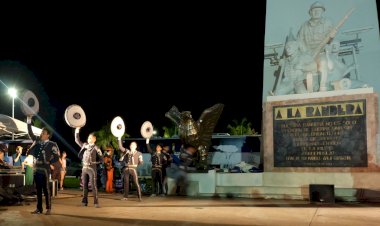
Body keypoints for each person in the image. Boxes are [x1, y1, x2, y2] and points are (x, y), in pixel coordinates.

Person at [297, 1, 334, 92]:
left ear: (322, 12)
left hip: (321, 52)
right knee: (298, 67)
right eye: (314, 10)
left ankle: (322, 86)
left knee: (323, 62)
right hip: (307, 53)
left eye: (319, 10)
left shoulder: (327, 23)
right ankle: (302, 88)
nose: (317, 12)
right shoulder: (304, 26)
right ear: (310, 12)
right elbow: (299, 40)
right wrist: (306, 52)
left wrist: (331, 37)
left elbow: (330, 41)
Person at [27, 116, 60, 215]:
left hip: (45, 169)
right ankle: (39, 208)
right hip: (36, 168)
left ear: (48, 135)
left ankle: (48, 208)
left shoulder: (52, 144)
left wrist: (50, 162)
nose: (42, 134)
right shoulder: (37, 140)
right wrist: (29, 120)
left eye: (44, 133)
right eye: (41, 132)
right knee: (38, 190)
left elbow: (57, 157)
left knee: (46, 189)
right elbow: (30, 132)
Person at [75, 127, 103, 208]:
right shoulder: (84, 145)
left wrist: (96, 163)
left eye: (90, 138)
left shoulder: (96, 148)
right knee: (85, 186)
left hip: (92, 169)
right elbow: (77, 140)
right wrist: (77, 130)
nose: (88, 139)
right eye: (88, 137)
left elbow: (101, 159)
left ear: (94, 139)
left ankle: (96, 202)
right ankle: (84, 201)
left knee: (94, 186)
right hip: (84, 168)